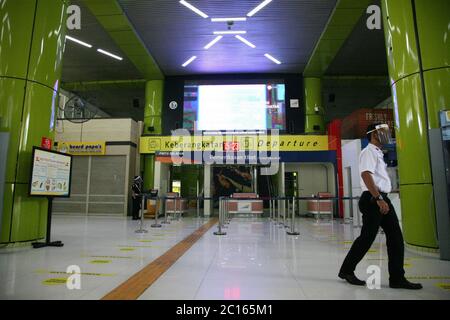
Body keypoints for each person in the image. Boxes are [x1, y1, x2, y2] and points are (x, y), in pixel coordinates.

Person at [338, 123, 422, 290]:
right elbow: (366, 174)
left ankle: (397, 278)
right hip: (373, 199)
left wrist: (384, 195)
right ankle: (347, 270)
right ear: (374, 134)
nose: (387, 133)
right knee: (367, 238)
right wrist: (378, 198)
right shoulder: (368, 151)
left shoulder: (377, 153)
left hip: (380, 198)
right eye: (383, 131)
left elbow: (377, 178)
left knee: (396, 238)